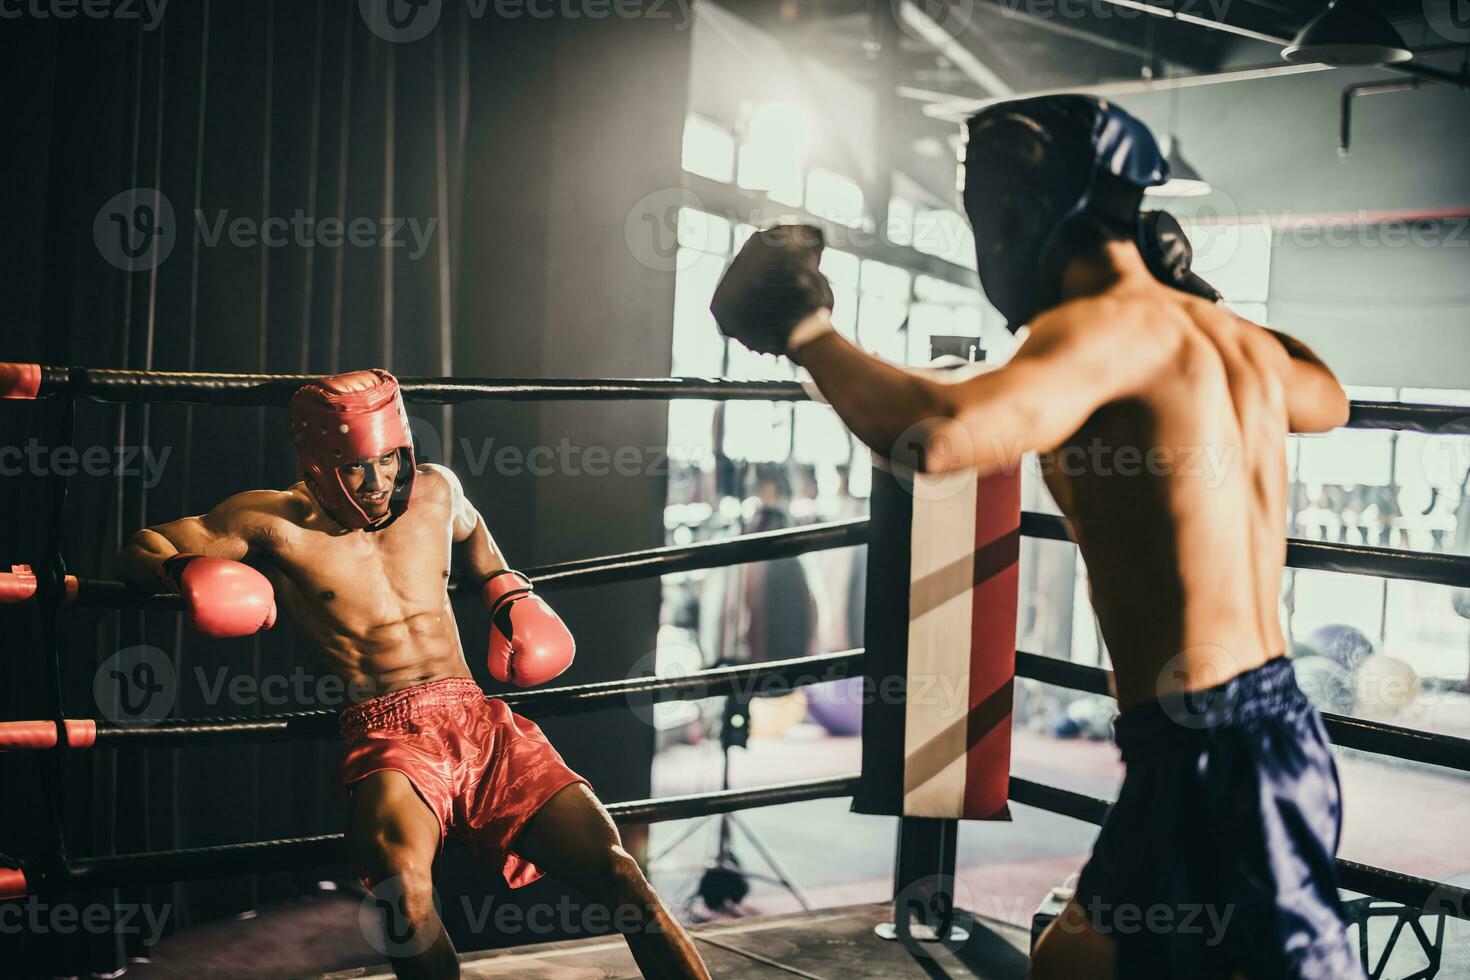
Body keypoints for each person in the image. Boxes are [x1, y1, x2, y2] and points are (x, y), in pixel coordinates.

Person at [709, 95, 1360, 978]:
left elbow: (936, 433)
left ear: (1016, 216)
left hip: (1219, 758)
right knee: (1073, 964)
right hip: (1234, 733)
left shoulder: (1102, 330)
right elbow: (1327, 394)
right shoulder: (1207, 333)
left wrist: (807, 330)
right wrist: (1198, 298)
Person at [115, 370, 709, 980]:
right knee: (406, 898)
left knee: (619, 872)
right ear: (317, 463)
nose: (377, 484)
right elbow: (141, 547)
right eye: (355, 468)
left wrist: (509, 595)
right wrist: (186, 572)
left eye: (390, 461)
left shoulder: (436, 492)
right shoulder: (270, 522)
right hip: (389, 736)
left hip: (481, 720)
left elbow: (477, 536)